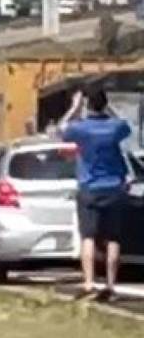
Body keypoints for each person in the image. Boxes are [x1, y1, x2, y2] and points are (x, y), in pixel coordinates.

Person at [61, 86, 131, 301]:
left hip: (89, 187)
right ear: (104, 104)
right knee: (113, 238)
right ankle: (110, 284)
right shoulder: (114, 128)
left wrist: (75, 107)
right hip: (114, 187)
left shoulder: (81, 129)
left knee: (88, 237)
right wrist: (108, 108)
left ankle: (89, 282)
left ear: (87, 105)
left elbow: (62, 128)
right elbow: (125, 126)